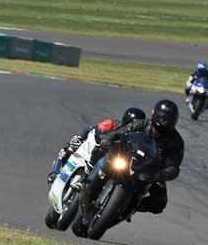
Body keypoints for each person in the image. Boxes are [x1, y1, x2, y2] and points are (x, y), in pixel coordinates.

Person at [75, 100, 184, 235]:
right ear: (154, 114)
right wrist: (110, 137)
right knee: (105, 160)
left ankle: (134, 206)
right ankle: (87, 178)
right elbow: (122, 132)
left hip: (149, 171)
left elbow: (174, 166)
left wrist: (162, 174)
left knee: (160, 202)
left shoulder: (176, 142)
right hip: (126, 159)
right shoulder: (143, 124)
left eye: (168, 120)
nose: (164, 122)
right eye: (162, 118)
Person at [46, 107, 146, 185]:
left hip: (109, 161)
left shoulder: (135, 141)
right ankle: (56, 171)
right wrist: (78, 138)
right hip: (90, 150)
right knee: (68, 149)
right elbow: (90, 129)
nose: (134, 129)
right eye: (133, 125)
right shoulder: (112, 124)